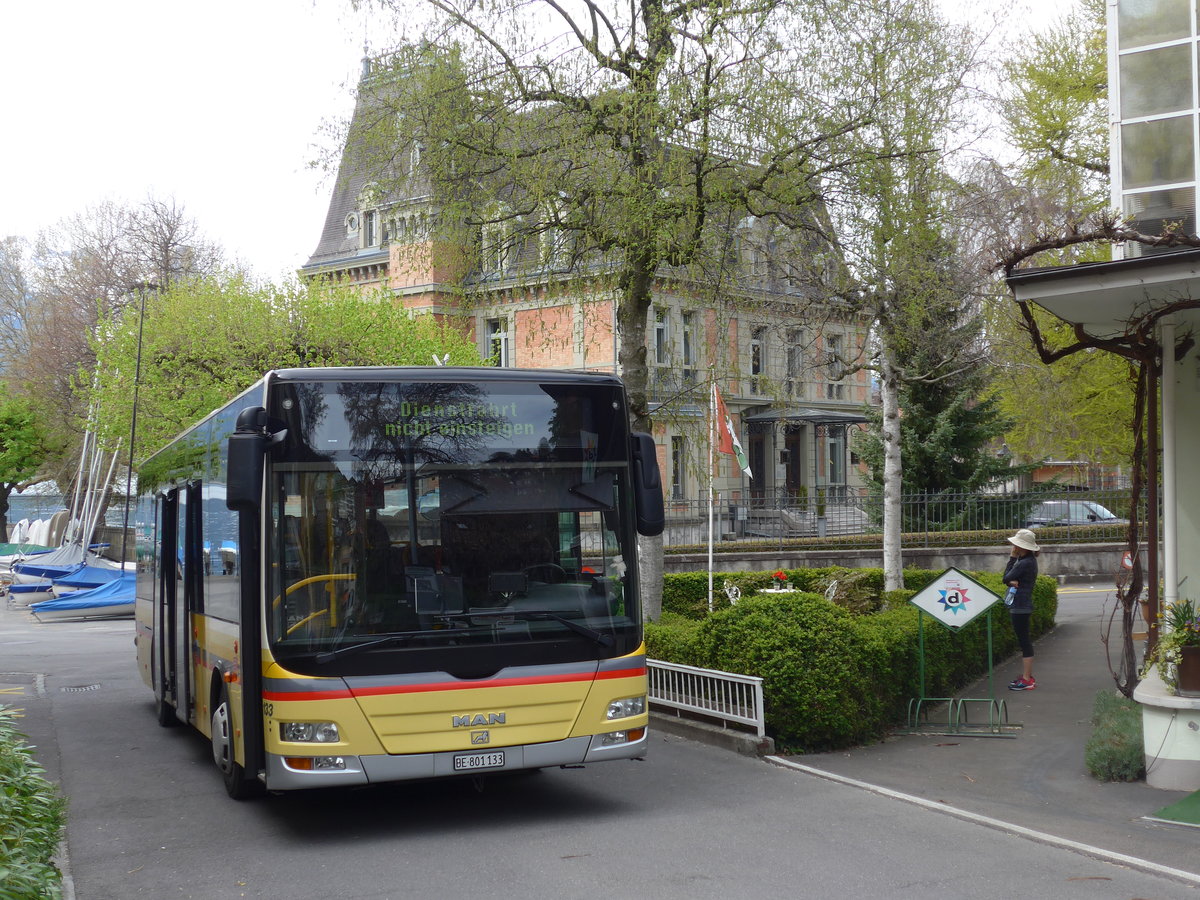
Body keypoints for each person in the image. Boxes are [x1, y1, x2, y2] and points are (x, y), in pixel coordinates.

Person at [1004, 528, 1040, 691]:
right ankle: (1027, 677)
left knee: (1024, 641)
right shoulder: (1029, 561)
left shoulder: (1024, 562)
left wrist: (1011, 558)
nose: (1013, 547)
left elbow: (1006, 577)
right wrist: (1011, 581)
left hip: (1020, 606)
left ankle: (1027, 679)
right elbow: (1010, 579)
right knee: (1024, 641)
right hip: (1023, 605)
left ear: (1022, 547)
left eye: (1015, 545)